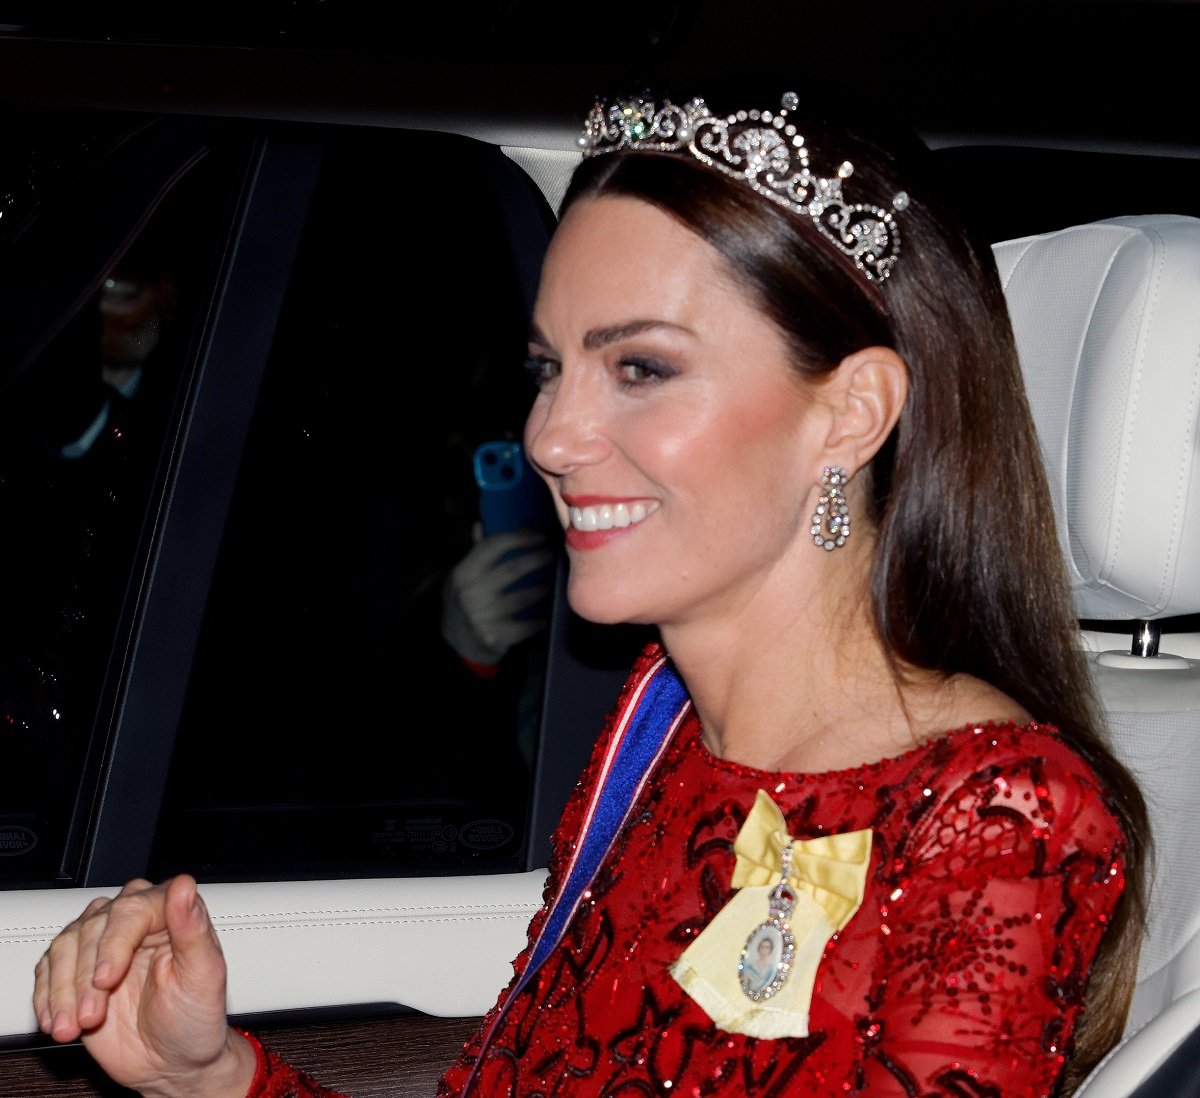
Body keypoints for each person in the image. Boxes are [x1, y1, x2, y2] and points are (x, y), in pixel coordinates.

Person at [32, 89, 1151, 1097]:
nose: (551, 437)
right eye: (547, 369)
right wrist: (216, 1077)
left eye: (641, 368)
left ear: (849, 414)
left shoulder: (995, 816)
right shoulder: (658, 733)